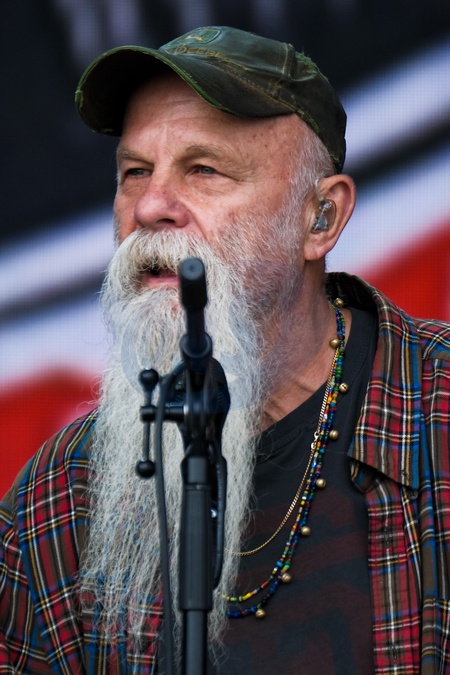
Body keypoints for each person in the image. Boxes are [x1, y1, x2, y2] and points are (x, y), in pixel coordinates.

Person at [1, 25, 450, 675]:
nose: (150, 207)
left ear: (320, 218)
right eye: (134, 172)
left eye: (204, 169)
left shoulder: (436, 412)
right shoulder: (60, 497)